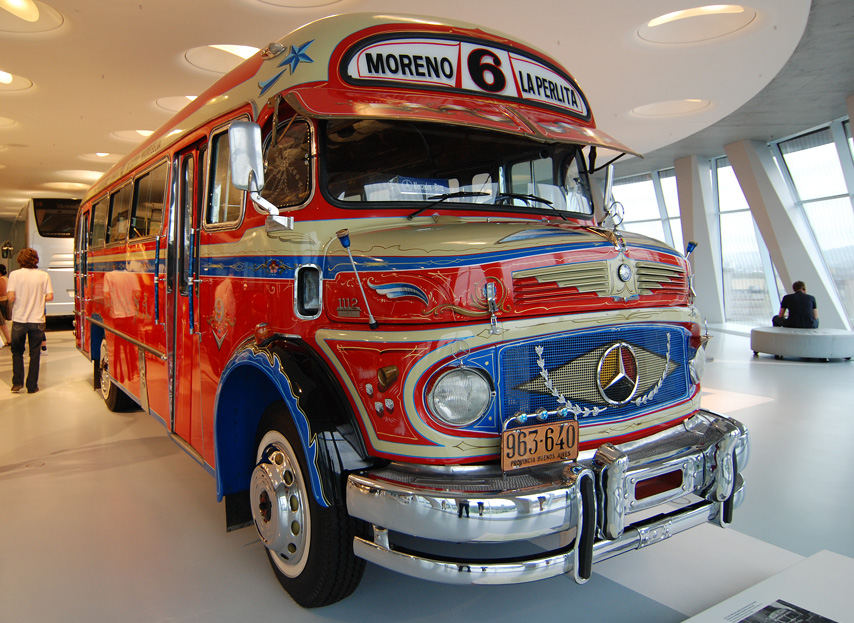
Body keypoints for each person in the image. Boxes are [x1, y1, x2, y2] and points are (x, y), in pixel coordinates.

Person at [7, 248, 54, 393]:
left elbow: (11, 297)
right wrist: (38, 299)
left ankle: (17, 383)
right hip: (37, 320)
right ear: (35, 260)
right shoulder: (43, 275)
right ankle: (32, 386)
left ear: (20, 260)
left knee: (17, 352)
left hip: (19, 319)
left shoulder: (14, 275)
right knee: (35, 354)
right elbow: (50, 296)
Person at [0, 264, 11, 346]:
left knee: (2, 323)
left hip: (2, 301)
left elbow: (2, 292)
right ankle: (9, 339)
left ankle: (9, 339)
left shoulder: (1, 280)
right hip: (6, 301)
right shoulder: (6, 279)